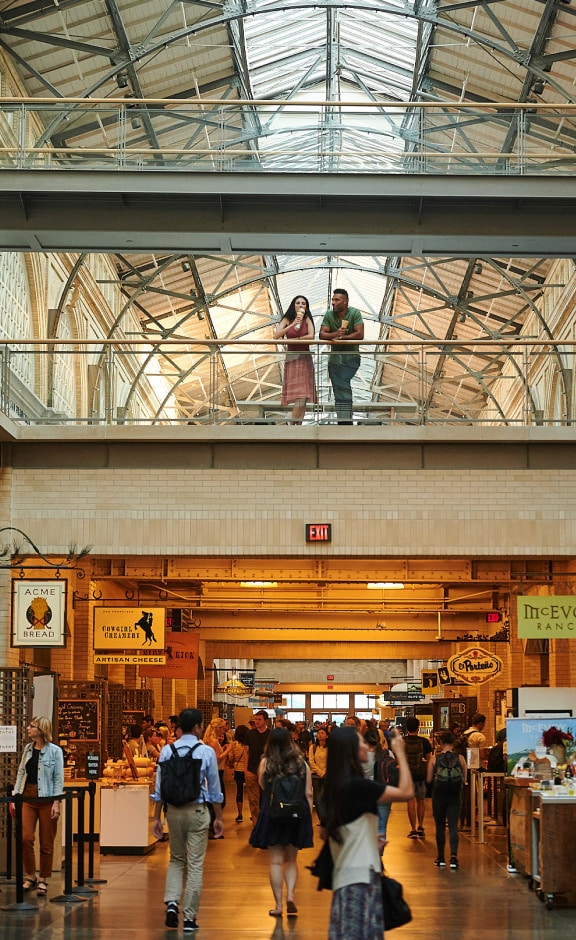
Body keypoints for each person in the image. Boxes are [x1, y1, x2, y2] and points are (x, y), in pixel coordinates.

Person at [322, 727, 413, 940]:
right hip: (360, 879)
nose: (366, 745)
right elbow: (407, 792)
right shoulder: (357, 786)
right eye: (361, 742)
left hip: (347, 876)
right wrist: (400, 753)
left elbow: (339, 830)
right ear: (351, 750)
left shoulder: (335, 786)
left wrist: (368, 841)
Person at [152, 708, 223, 933]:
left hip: (173, 812)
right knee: (195, 865)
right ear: (198, 727)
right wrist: (218, 817)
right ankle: (190, 918)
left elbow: (159, 788)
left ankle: (172, 902)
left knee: (175, 859)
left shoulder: (167, 750)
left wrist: (156, 818)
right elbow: (214, 788)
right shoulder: (206, 751)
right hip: (197, 811)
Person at [249, 727, 314, 917]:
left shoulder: (266, 763)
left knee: (276, 861)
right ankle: (291, 896)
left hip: (274, 813)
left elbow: (262, 786)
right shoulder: (302, 762)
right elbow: (308, 792)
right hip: (296, 814)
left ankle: (278, 905)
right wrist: (307, 816)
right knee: (292, 860)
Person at [12, 716, 64, 897]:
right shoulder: (27, 749)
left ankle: (44, 878)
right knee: (26, 838)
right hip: (27, 798)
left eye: (32, 726)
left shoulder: (55, 752)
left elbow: (58, 778)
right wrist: (15, 796)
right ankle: (30, 875)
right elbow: (21, 772)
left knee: (46, 842)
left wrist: (56, 802)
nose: (28, 728)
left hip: (47, 799)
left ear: (41, 730)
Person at [319, 288, 364, 425]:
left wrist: (343, 337)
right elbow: (322, 335)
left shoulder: (355, 313)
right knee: (340, 388)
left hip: (351, 358)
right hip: (335, 360)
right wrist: (336, 335)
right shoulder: (329, 315)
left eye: (337, 300)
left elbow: (360, 334)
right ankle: (345, 420)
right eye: (333, 300)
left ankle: (344, 421)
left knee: (341, 387)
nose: (333, 302)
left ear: (346, 302)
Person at [273, 295, 317, 424]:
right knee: (299, 396)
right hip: (292, 360)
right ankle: (294, 426)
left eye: (304, 303)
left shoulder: (307, 319)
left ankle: (297, 425)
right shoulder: (287, 319)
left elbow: (311, 337)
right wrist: (292, 324)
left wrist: (292, 340)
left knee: (303, 396)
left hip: (304, 359)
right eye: (298, 303)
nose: (301, 305)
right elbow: (276, 336)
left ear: (306, 307)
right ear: (293, 305)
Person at [427, 730, 467, 869]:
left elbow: (429, 779)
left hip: (439, 795)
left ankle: (441, 857)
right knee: (453, 826)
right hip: (455, 795)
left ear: (441, 742)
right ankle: (454, 858)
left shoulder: (434, 758)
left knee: (440, 827)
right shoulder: (460, 758)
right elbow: (464, 779)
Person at [404, 716, 433, 839]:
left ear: (406, 727)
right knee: (421, 801)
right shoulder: (424, 742)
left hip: (407, 776)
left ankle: (413, 829)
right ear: (418, 727)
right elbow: (429, 759)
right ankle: (421, 826)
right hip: (421, 774)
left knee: (410, 802)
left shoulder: (402, 741)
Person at [245, 709, 270, 826]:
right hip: (252, 770)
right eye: (256, 719)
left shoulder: (271, 735)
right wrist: (245, 769)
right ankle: (256, 823)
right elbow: (246, 752)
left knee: (266, 797)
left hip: (266, 771)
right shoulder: (250, 734)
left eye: (259, 719)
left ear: (266, 721)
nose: (257, 722)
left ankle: (266, 820)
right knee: (253, 799)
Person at [229, 724, 249, 822]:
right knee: (251, 793)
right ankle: (251, 813)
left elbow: (231, 758)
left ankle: (240, 814)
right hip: (248, 770)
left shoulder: (234, 744)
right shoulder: (248, 745)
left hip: (238, 770)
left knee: (239, 791)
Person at [308, 725, 328, 809]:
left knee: (326, 796)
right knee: (317, 796)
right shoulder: (313, 747)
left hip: (327, 775)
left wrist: (324, 772)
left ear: (327, 736)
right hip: (316, 775)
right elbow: (311, 762)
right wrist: (320, 772)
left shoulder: (330, 747)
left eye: (322, 733)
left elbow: (331, 761)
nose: (320, 735)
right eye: (319, 733)